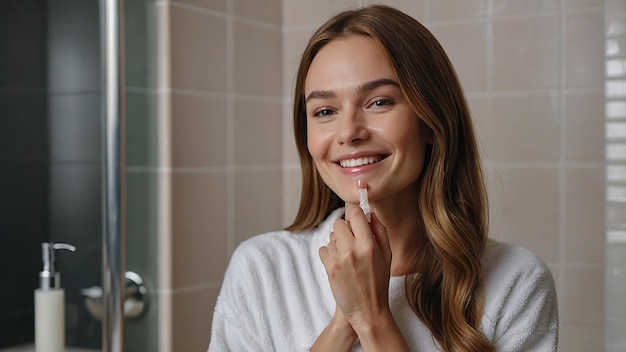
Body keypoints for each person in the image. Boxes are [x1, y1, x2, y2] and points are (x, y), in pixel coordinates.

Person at [208, 4, 558, 352]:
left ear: (431, 121)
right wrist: (344, 323)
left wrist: (372, 317)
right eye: (325, 111)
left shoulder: (517, 281)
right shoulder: (262, 269)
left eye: (379, 102)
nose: (348, 133)